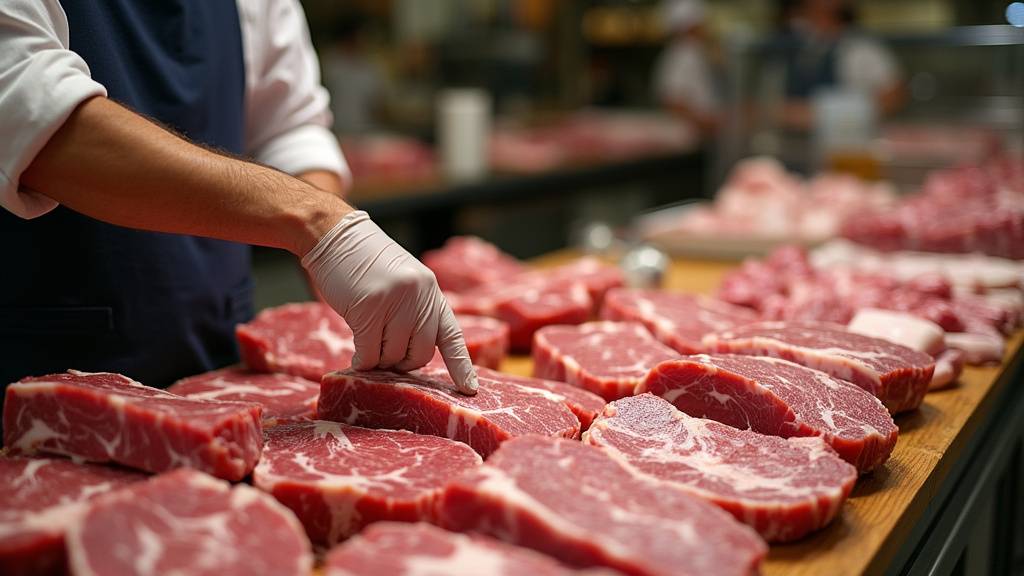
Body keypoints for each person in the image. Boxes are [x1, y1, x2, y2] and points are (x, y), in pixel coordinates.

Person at [0, 1, 477, 396]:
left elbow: (289, 125)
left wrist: (338, 261)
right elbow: (30, 112)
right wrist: (320, 224)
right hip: (40, 386)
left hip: (224, 374)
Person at [778, 0, 905, 129]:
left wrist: (820, 114)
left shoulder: (862, 45)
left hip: (843, 139)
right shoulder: (786, 39)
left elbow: (893, 96)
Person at [652, 0, 721, 136]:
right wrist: (705, 122)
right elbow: (672, 100)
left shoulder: (697, 51)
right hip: (690, 135)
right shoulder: (683, 53)